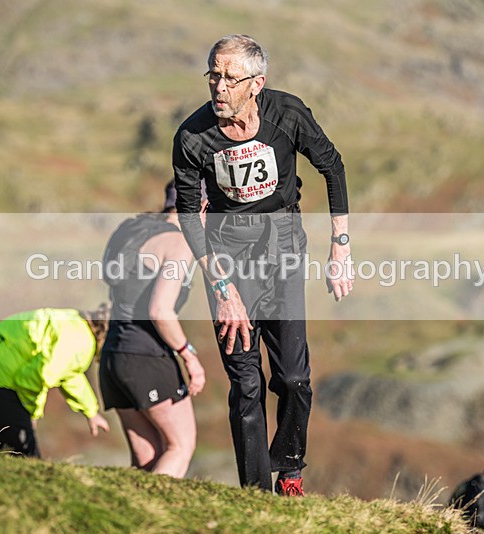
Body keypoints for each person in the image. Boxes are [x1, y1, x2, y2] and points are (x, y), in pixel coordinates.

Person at [173, 34, 353, 495]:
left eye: (230, 78)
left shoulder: (287, 113)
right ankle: (255, 494)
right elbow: (189, 217)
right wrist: (222, 290)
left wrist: (340, 249)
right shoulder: (192, 137)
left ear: (257, 83)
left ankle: (290, 467)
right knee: (246, 381)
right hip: (226, 259)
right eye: (213, 75)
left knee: (293, 377)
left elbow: (332, 167)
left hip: (284, 251)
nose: (219, 86)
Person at [97, 181, 207, 479]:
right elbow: (160, 311)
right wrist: (189, 356)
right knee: (180, 447)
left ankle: (129, 507)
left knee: (147, 460)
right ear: (203, 207)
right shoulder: (179, 243)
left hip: (113, 356)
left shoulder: (129, 230)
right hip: (147, 356)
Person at [0, 306, 111, 457]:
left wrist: (91, 411)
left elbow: (68, 372)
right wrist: (32, 414)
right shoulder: (82, 342)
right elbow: (36, 376)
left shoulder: (72, 321)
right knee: (27, 460)